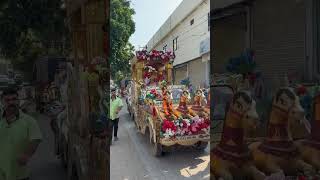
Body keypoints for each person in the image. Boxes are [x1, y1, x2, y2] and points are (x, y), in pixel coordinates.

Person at [0, 87, 42, 180]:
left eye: (14, 99)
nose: (11, 102)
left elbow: (35, 139)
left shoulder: (29, 121)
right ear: (2, 102)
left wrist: (26, 155)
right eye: (7, 100)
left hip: (19, 174)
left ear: (18, 101)